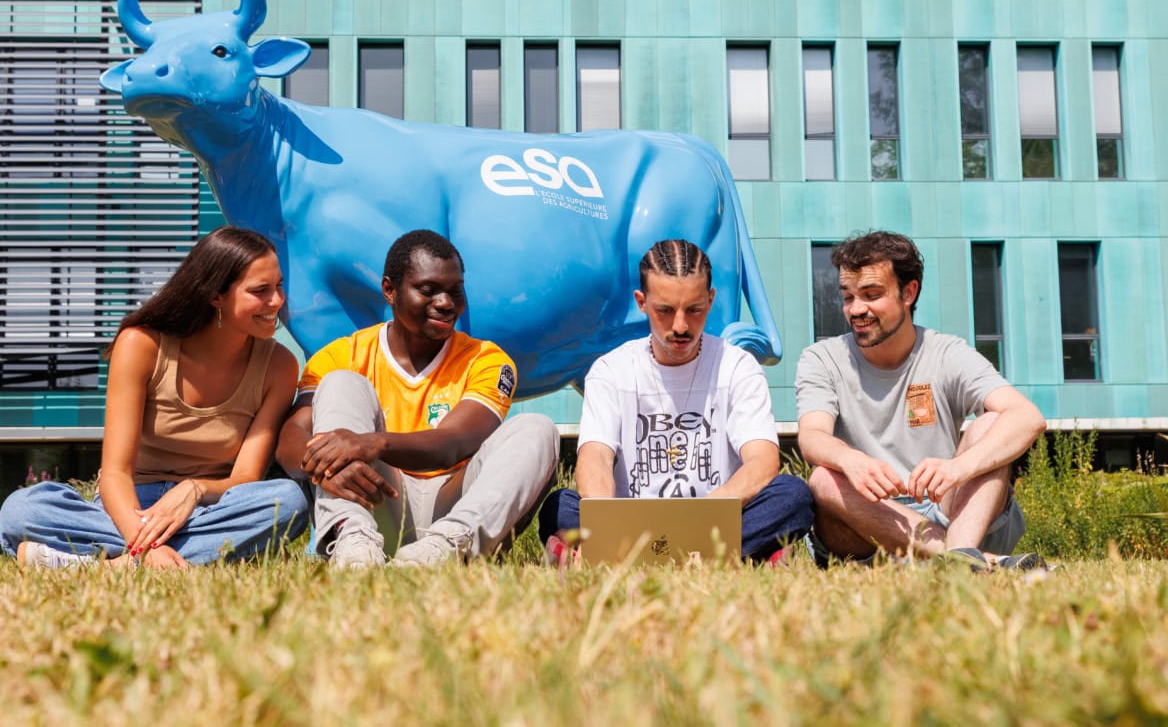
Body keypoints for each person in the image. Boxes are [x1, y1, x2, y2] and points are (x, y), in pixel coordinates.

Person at [0, 227, 309, 568]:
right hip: (129, 505)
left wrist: (193, 490)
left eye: (279, 286)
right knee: (20, 510)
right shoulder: (141, 344)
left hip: (208, 508)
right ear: (215, 295)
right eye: (260, 291)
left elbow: (245, 479)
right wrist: (142, 539)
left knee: (287, 501)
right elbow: (116, 473)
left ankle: (105, 565)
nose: (277, 301)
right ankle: (172, 557)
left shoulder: (279, 365)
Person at [276, 229, 559, 568]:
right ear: (390, 290)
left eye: (455, 291)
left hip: (456, 507)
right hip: (378, 499)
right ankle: (353, 545)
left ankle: (443, 552)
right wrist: (321, 466)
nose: (445, 303)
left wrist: (372, 443)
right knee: (341, 384)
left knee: (538, 428)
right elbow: (290, 442)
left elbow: (453, 443)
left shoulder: (487, 360)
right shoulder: (341, 355)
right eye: (428, 290)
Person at [538, 239, 815, 565]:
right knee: (560, 507)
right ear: (641, 302)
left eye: (694, 310)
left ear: (711, 300)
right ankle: (737, 554)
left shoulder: (737, 365)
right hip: (633, 520)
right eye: (665, 311)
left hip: (717, 517)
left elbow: (762, 461)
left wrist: (698, 519)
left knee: (793, 496)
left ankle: (620, 556)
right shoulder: (611, 370)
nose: (681, 326)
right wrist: (605, 521)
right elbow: (595, 457)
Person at [795, 230, 1047, 570]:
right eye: (848, 296)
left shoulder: (947, 353)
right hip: (867, 522)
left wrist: (959, 468)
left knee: (992, 422)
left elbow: (1028, 418)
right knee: (824, 477)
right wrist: (851, 460)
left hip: (954, 513)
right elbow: (812, 437)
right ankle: (968, 562)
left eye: (871, 295)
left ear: (908, 292)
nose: (856, 309)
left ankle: (959, 554)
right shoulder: (822, 358)